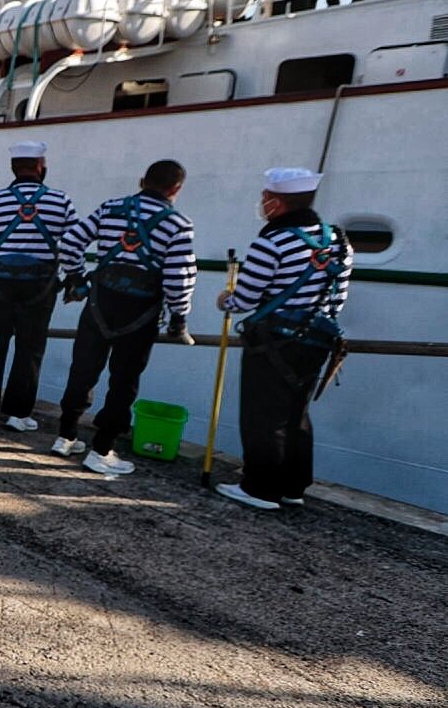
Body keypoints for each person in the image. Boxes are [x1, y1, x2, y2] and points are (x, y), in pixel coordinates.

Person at [213, 167, 351, 511]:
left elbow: (245, 299)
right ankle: (293, 486)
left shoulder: (272, 241)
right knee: (296, 411)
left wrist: (225, 301)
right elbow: (339, 297)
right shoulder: (339, 241)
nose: (261, 204)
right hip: (317, 340)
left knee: (263, 415)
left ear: (277, 203)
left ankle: (259, 488)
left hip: (272, 341)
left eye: (264, 198)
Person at [54, 160, 197, 476]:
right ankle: (102, 450)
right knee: (124, 381)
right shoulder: (178, 224)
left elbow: (71, 241)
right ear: (176, 189)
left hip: (99, 303)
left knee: (83, 369)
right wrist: (179, 318)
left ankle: (65, 436)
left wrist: (77, 277)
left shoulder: (111, 208)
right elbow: (180, 277)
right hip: (140, 312)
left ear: (141, 180)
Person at [0, 141, 77, 431]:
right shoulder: (61, 201)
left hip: (0, 286)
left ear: (14, 168)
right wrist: (75, 277)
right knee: (31, 349)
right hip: (41, 288)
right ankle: (19, 415)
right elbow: (73, 244)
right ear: (39, 167)